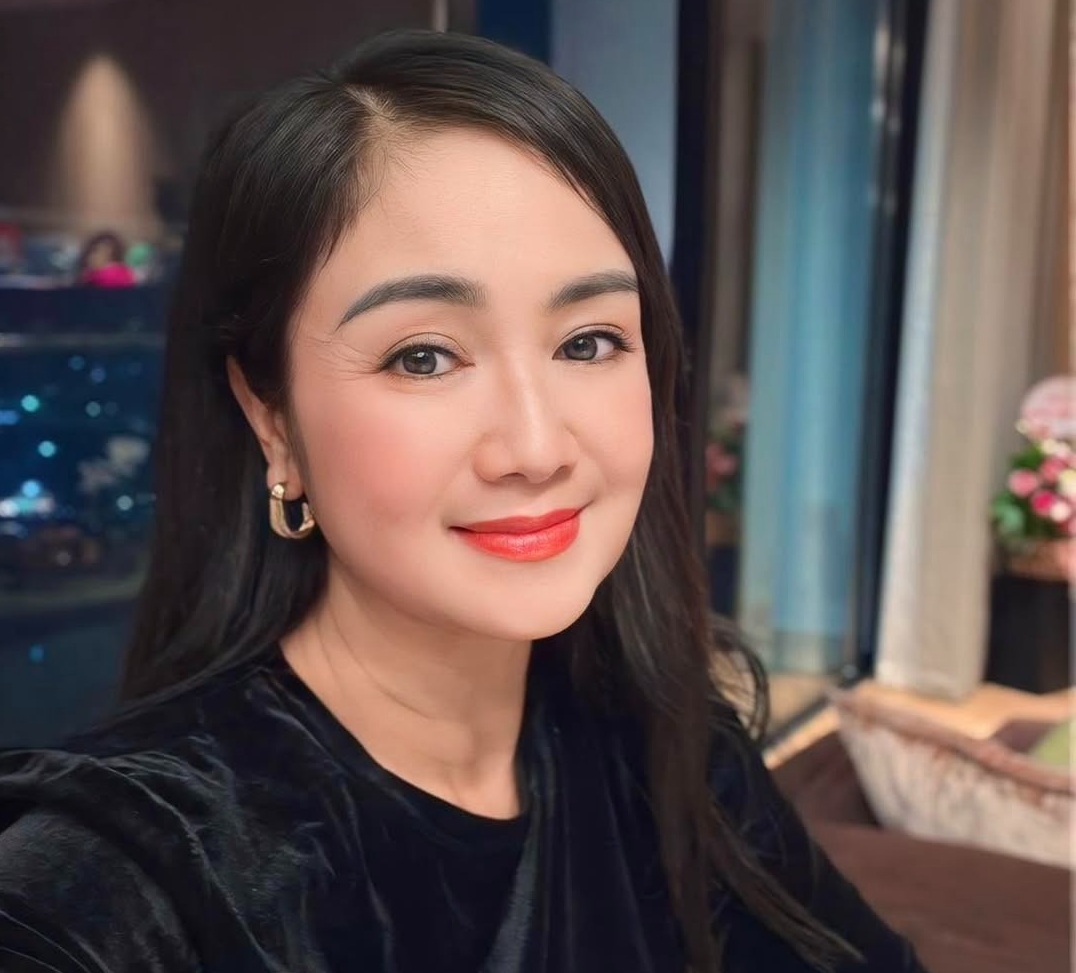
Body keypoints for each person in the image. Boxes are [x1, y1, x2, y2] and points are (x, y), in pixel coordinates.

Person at [0, 30, 928, 973]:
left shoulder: (667, 745)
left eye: (588, 342)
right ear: (271, 417)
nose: (536, 448)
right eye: (424, 357)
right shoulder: (127, 874)